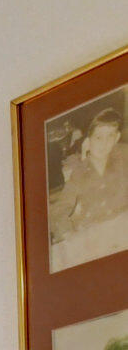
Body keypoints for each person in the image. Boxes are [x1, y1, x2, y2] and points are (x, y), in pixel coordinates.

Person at [51, 103, 128, 272]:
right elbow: (60, 209)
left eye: (110, 136)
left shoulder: (124, 156)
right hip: (94, 236)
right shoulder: (78, 170)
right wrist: (67, 234)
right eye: (98, 138)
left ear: (117, 137)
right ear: (88, 140)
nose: (105, 143)